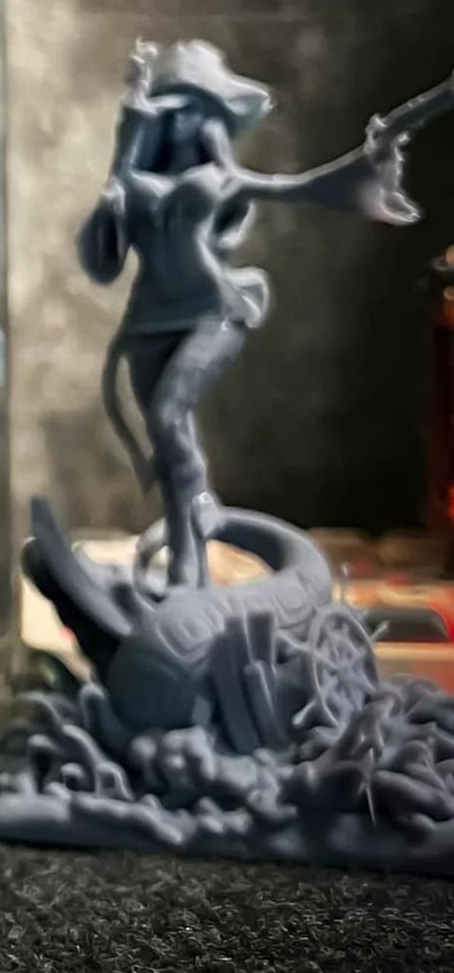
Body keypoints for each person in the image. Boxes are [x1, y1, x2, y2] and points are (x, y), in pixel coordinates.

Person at [82, 39, 432, 589]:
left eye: (194, 107)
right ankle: (187, 569)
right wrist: (125, 145)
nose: (181, 119)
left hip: (211, 311)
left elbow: (301, 188)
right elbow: (106, 250)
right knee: (169, 440)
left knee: (170, 414)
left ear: (213, 116)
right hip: (147, 321)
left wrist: (366, 166)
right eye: (173, 107)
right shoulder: (135, 179)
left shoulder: (221, 178)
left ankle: (202, 504)